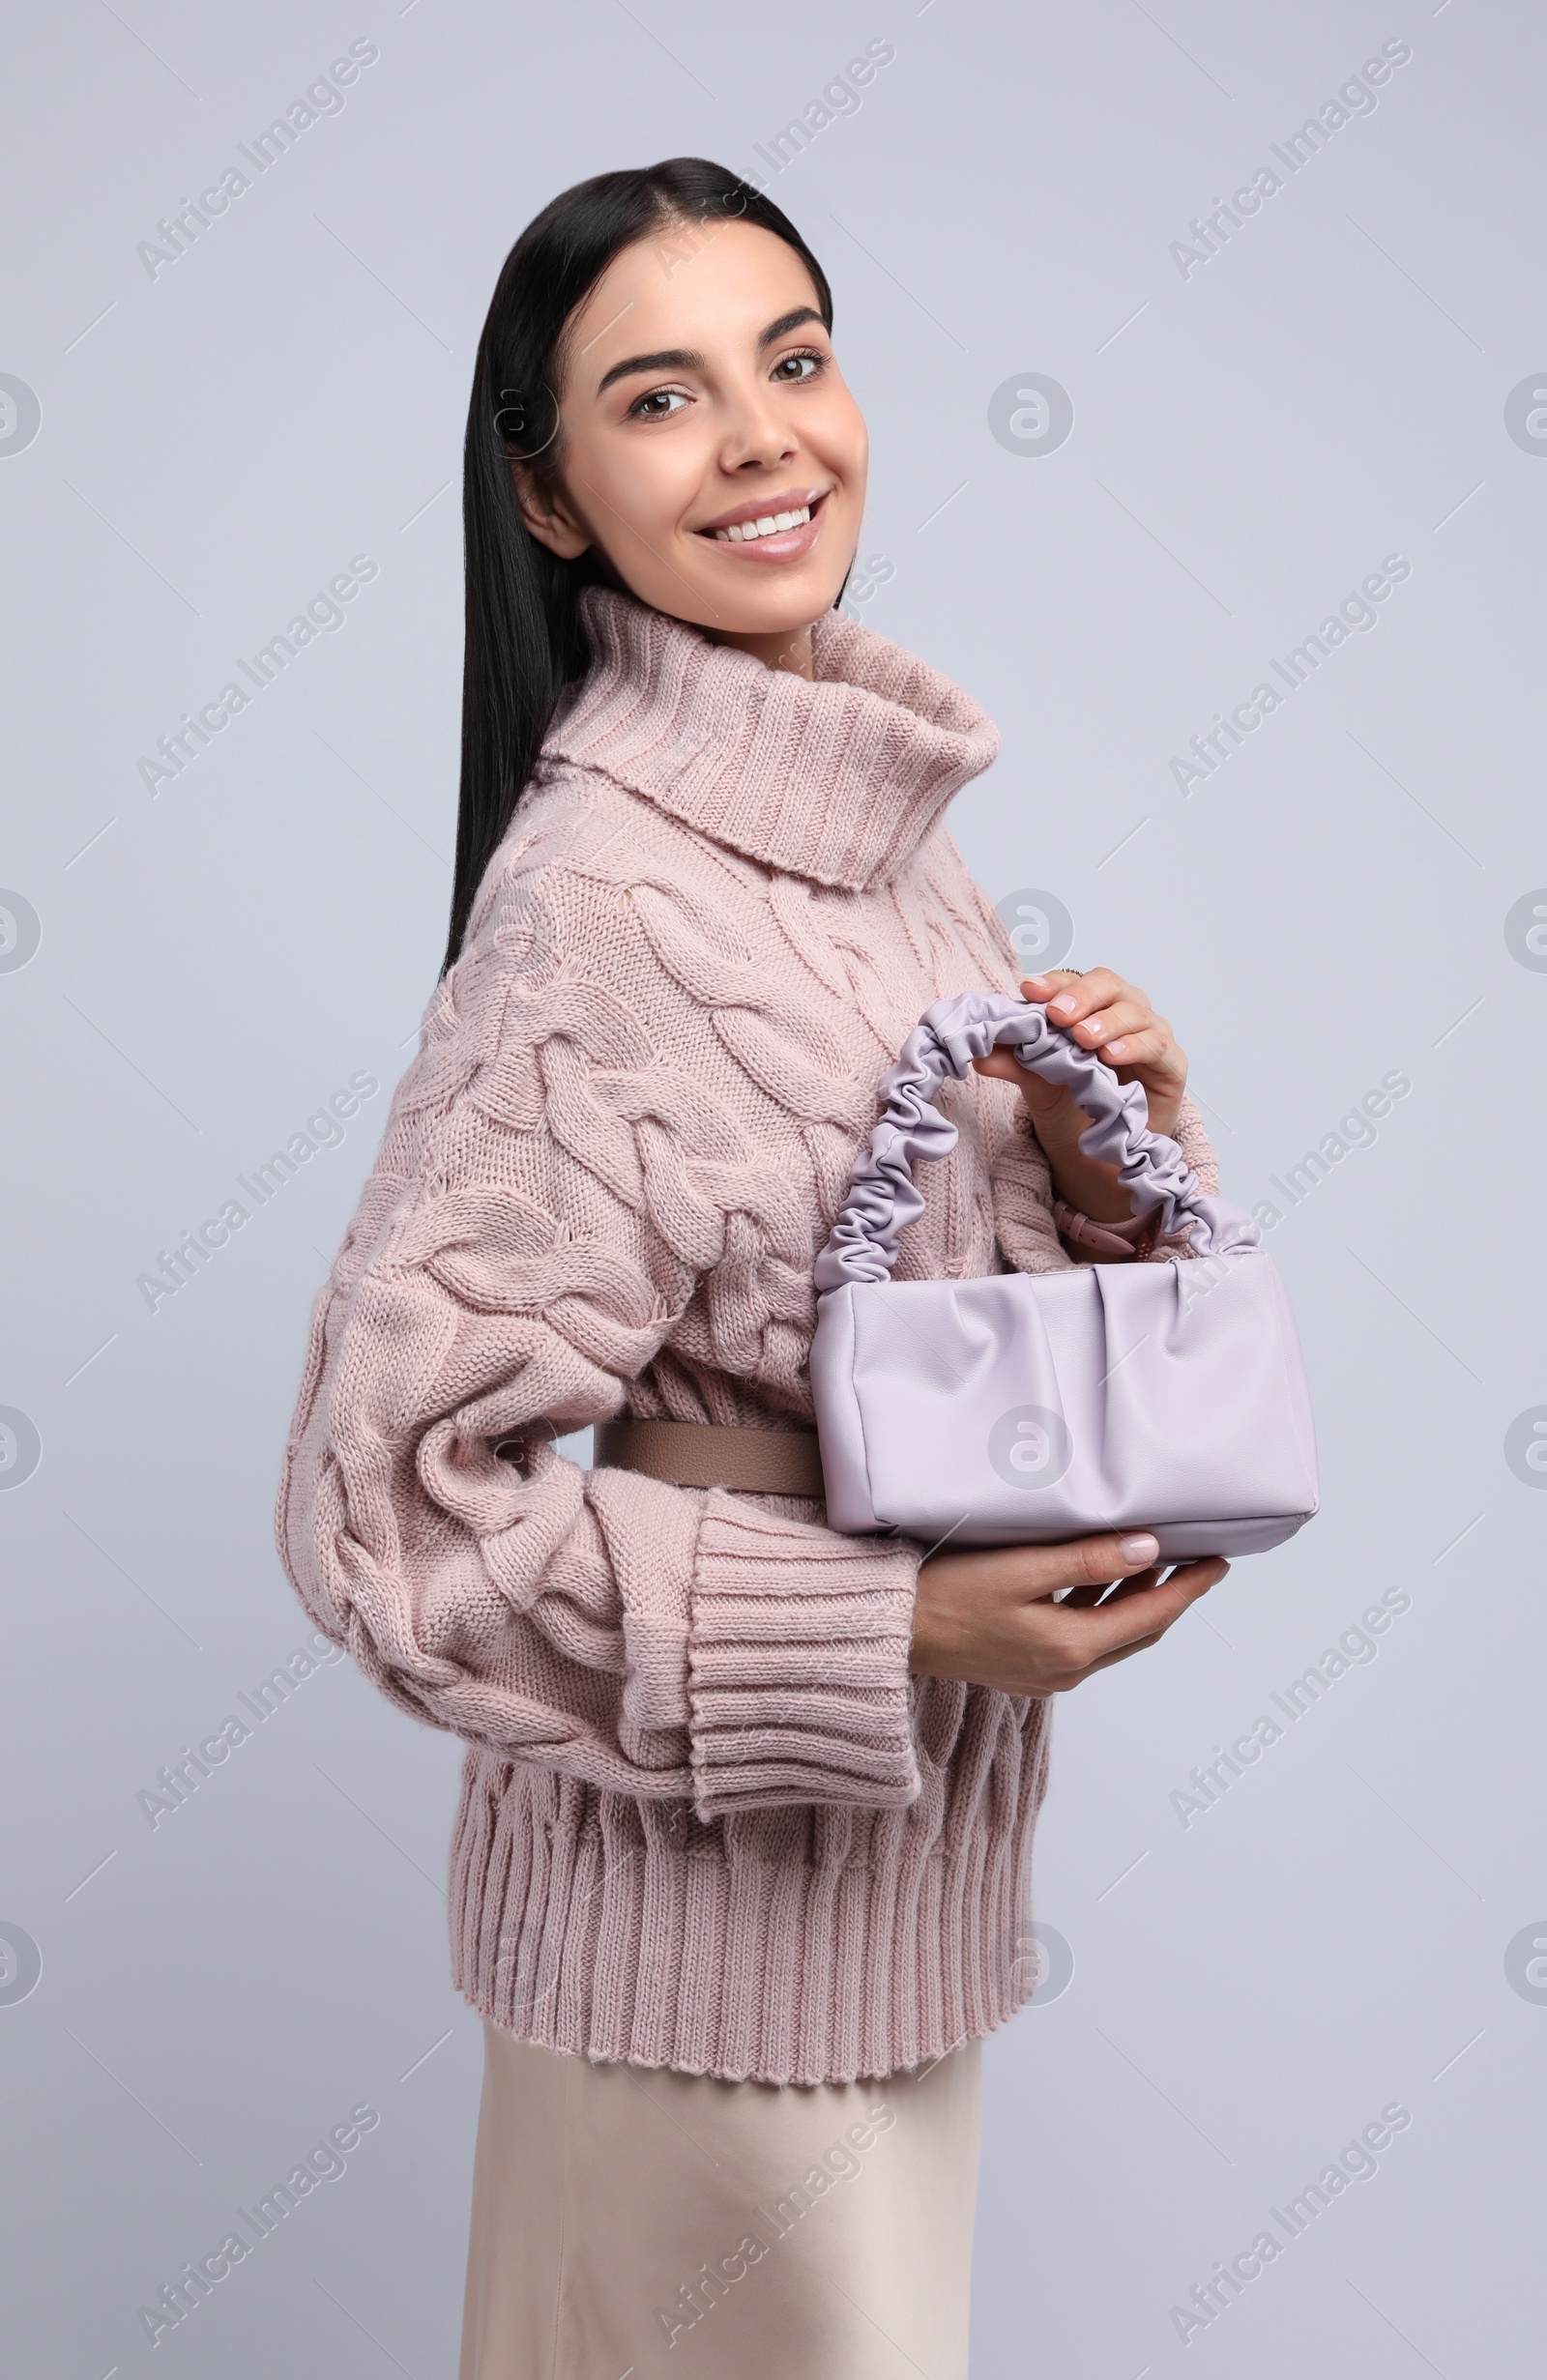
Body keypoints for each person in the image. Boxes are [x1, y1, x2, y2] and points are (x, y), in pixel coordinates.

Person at [276, 156, 1228, 2380]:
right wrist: (890, 1623)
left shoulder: (886, 846)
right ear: (550, 500)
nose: (765, 436)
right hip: (688, 1983)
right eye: (660, 397)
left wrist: (1123, 1158)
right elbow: (389, 1518)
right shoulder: (601, 902)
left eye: (791, 358)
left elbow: (901, 1305)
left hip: (882, 1936)